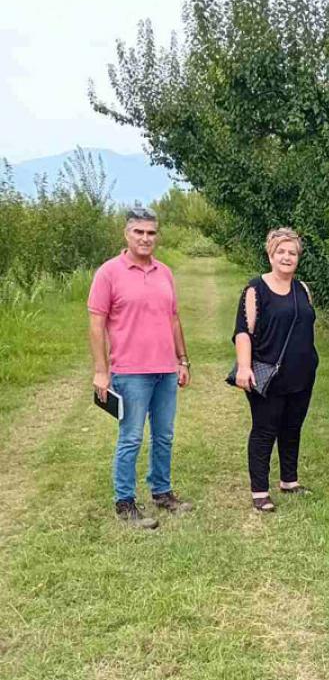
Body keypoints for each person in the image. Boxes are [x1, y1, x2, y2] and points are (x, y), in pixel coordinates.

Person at [88, 204, 192, 529]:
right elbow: (96, 324)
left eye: (151, 233)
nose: (145, 238)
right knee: (131, 437)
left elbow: (173, 319)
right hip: (130, 372)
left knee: (164, 436)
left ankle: (162, 492)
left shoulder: (165, 272)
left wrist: (182, 359)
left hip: (166, 371)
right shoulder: (108, 273)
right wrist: (101, 371)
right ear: (126, 234)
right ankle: (125, 502)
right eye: (139, 232)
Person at [233, 228, 318, 513]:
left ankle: (289, 481)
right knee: (264, 431)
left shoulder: (302, 288)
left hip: (302, 373)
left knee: (292, 428)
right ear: (270, 255)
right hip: (267, 374)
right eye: (281, 251)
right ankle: (260, 490)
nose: (287, 257)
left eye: (292, 253)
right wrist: (244, 367)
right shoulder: (256, 289)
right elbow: (243, 332)